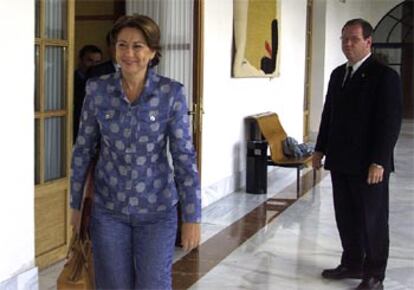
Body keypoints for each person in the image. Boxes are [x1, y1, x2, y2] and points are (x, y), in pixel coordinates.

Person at [70, 14, 201, 290]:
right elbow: (83, 149)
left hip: (158, 211)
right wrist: (75, 205)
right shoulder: (97, 90)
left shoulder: (171, 94)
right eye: (122, 45)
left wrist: (192, 216)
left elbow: (184, 157)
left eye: (138, 46)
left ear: (152, 51)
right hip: (108, 211)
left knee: (154, 285)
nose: (129, 53)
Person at [312, 18, 402, 290]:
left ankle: (374, 274)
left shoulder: (384, 76)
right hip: (341, 161)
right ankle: (352, 263)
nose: (347, 44)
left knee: (372, 221)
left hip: (368, 165)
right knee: (346, 217)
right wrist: (319, 148)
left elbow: (389, 123)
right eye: (344, 39)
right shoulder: (339, 74)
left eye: (353, 39)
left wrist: (380, 161)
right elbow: (329, 114)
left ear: (368, 42)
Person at [74, 45, 103, 140]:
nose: (94, 66)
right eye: (90, 61)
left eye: (97, 62)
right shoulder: (70, 80)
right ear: (80, 60)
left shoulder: (103, 84)